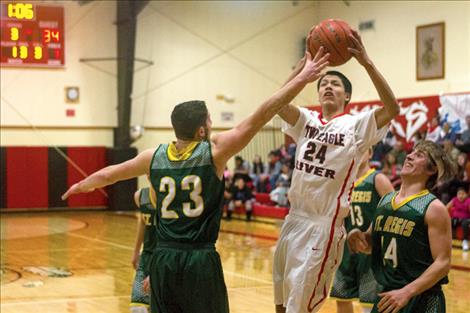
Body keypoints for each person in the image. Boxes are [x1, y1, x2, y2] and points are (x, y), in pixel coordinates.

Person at [62, 47, 331, 313]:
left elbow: (110, 174)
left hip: (162, 259)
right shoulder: (214, 153)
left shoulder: (152, 156)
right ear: (202, 129)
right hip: (199, 259)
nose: (213, 123)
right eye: (210, 119)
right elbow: (263, 113)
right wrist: (301, 79)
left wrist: (82, 185)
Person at [272, 29, 400, 313]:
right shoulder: (306, 120)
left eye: (335, 84)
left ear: (348, 96)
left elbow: (392, 108)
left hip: (323, 225)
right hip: (293, 220)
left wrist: (366, 62)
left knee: (299, 308)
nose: (328, 86)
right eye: (323, 83)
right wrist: (301, 69)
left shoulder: (356, 125)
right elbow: (278, 103)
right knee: (281, 305)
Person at [348, 141, 456, 313]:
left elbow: (443, 263)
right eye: (412, 152)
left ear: (432, 169)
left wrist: (407, 292)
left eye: (419, 155)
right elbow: (370, 246)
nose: (409, 156)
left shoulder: (433, 207)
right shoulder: (385, 200)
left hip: (422, 299)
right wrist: (358, 237)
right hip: (389, 294)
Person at [329, 148, 394, 313]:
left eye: (361, 150)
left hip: (370, 249)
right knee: (342, 298)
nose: (356, 154)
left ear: (370, 153)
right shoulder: (342, 183)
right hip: (345, 249)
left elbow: (394, 210)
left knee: (369, 301)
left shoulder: (377, 179)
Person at [130, 187, 157, 313]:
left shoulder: (170, 195)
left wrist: (157, 272)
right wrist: (136, 251)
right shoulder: (140, 195)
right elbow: (142, 221)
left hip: (166, 258)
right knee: (137, 308)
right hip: (146, 257)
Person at [446, 187, 470, 251]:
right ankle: (447, 241)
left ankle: (465, 242)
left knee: (465, 223)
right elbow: (446, 208)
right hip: (455, 219)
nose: (461, 196)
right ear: (457, 195)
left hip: (465, 219)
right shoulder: (454, 199)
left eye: (463, 194)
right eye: (459, 194)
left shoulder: (468, 200)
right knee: (447, 222)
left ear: (466, 194)